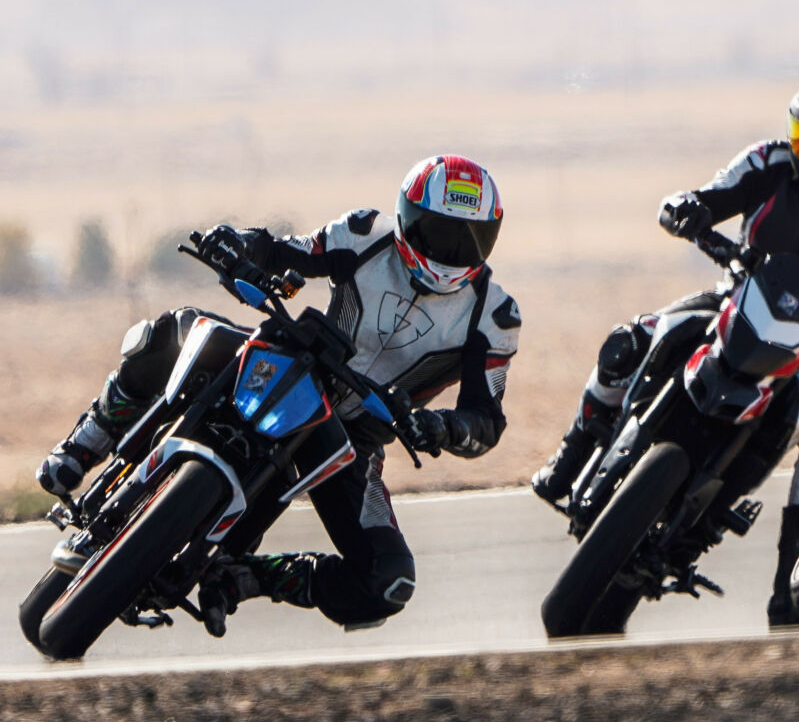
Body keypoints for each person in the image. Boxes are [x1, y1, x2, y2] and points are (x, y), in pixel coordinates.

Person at [37, 155, 520, 632]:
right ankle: (85, 444)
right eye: (436, 232)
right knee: (173, 332)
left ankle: (246, 577)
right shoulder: (366, 234)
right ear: (405, 218)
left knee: (388, 581)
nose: (449, 250)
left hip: (351, 438)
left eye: (468, 240)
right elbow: (288, 251)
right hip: (292, 361)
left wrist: (442, 426)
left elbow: (486, 421)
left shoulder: (494, 317)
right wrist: (238, 245)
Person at [530, 76, 799, 624]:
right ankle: (569, 459)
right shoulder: (768, 162)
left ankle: (787, 590)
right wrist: (684, 209)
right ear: (794, 136)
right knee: (631, 339)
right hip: (736, 299)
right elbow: (707, 197)